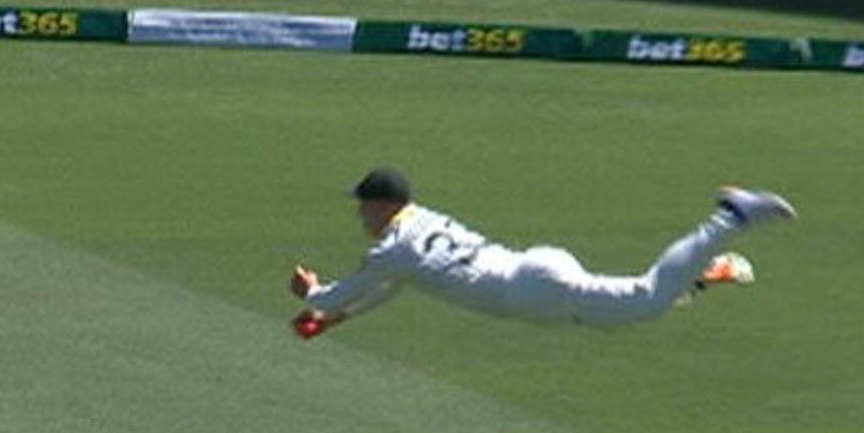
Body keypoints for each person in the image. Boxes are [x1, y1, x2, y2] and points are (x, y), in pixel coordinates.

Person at [289, 167, 796, 339]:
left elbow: (349, 290)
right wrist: (334, 320)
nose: (361, 216)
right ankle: (700, 276)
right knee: (618, 319)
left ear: (384, 205)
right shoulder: (418, 224)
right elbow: (388, 288)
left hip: (532, 288)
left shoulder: (392, 248)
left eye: (364, 207)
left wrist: (313, 294)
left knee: (644, 299)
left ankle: (731, 217)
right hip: (534, 273)